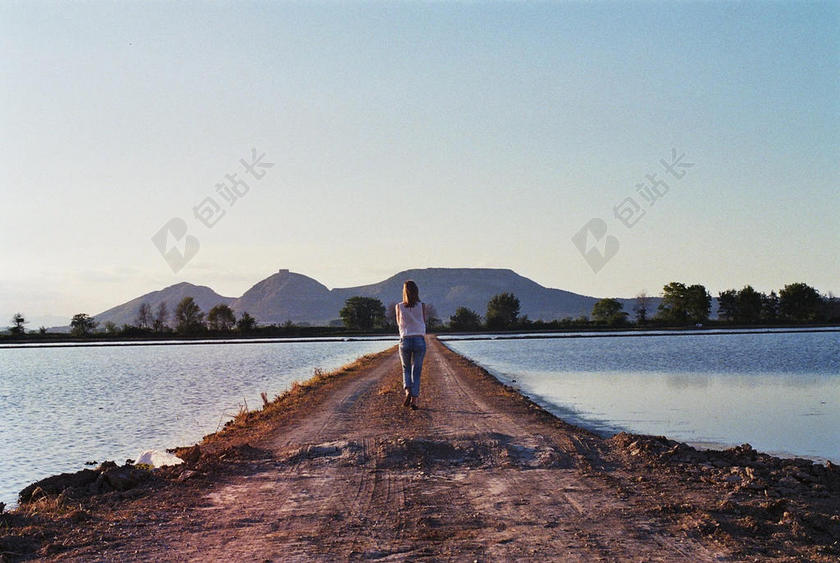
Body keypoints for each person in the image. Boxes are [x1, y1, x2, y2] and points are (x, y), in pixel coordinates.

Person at [395, 280, 426, 410]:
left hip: (405, 339)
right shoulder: (422, 306)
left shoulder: (399, 306)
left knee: (406, 368)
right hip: (419, 339)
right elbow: (423, 321)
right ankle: (414, 401)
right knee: (416, 371)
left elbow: (399, 324)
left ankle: (407, 391)